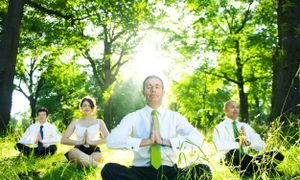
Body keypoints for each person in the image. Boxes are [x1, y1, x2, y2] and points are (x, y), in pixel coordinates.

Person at [101, 75, 212, 180]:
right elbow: (111, 141)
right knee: (108, 169)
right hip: (140, 173)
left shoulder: (175, 117)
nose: (153, 90)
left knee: (204, 170)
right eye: (149, 87)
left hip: (170, 172)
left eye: (157, 87)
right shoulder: (132, 117)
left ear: (163, 92)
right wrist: (146, 141)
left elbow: (198, 139)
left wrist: (164, 141)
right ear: (143, 93)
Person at [213, 100, 284, 176]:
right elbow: (218, 146)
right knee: (234, 153)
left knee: (277, 155)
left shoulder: (245, 126)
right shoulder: (219, 127)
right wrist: (239, 144)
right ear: (225, 110)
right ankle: (262, 169)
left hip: (247, 159)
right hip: (229, 159)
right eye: (232, 107)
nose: (235, 109)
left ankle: (249, 171)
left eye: (237, 107)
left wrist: (249, 143)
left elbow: (261, 145)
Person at [61, 96, 109, 168]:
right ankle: (99, 166)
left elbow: (108, 139)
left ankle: (72, 165)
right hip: (78, 150)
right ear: (81, 108)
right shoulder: (75, 122)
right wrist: (80, 142)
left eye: (89, 105)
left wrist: (91, 142)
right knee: (73, 152)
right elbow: (63, 140)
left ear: (93, 107)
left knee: (98, 157)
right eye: (84, 105)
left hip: (94, 150)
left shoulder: (99, 122)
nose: (87, 107)